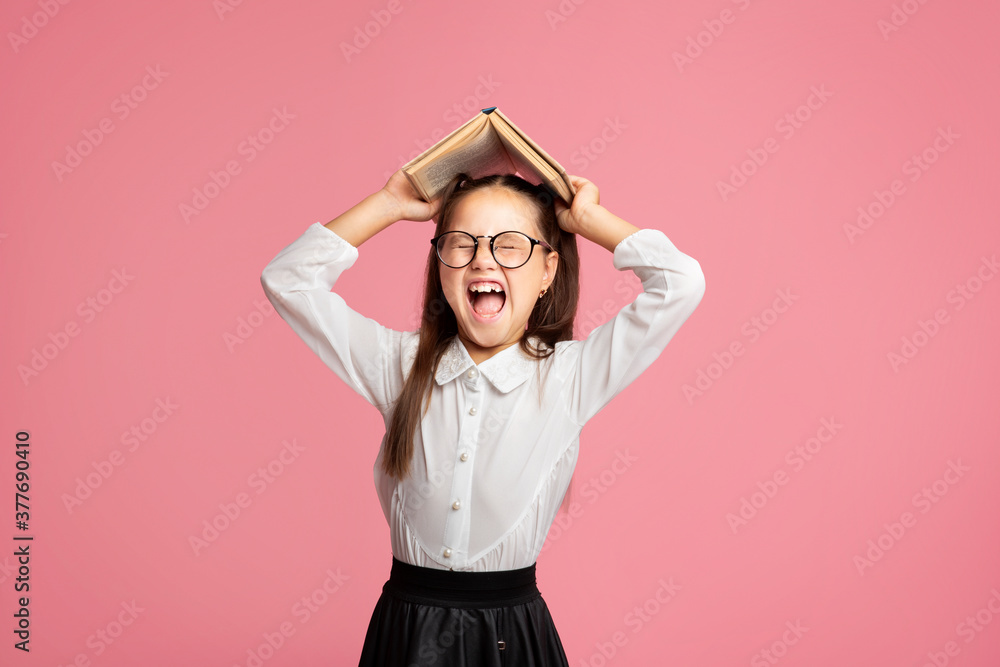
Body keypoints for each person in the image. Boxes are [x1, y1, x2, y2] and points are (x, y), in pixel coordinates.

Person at [259, 168, 706, 666]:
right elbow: (288, 278)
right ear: (441, 265)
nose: (482, 260)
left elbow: (679, 282)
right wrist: (388, 203)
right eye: (461, 244)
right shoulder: (400, 366)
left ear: (548, 271)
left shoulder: (569, 378)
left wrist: (590, 219)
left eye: (510, 245)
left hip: (512, 635)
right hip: (407, 632)